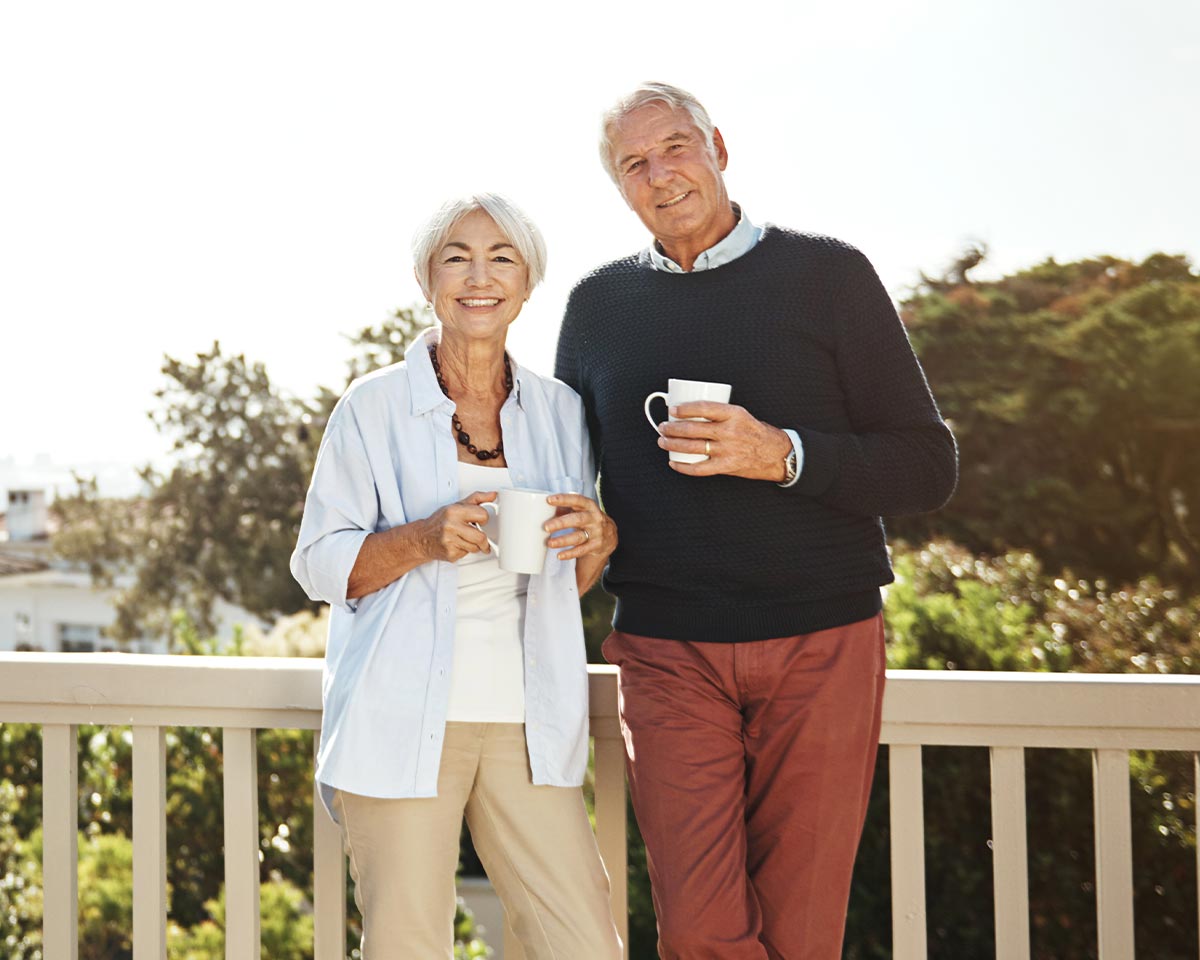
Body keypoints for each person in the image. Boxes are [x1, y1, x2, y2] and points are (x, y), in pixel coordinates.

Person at [554, 83, 958, 960]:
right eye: (635, 164)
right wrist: (592, 530)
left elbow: (929, 466)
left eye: (675, 148)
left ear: (720, 147)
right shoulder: (595, 307)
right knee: (699, 930)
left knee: (803, 927)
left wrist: (783, 454)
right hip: (666, 653)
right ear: (620, 188)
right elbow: (569, 483)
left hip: (824, 640)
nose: (661, 176)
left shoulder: (830, 275)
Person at [291, 193, 622, 960]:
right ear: (425, 278)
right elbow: (318, 563)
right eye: (457, 257)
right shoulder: (370, 407)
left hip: (528, 722)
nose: (480, 276)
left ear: (529, 283)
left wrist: (596, 544)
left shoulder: (560, 411)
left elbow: (556, 585)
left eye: (502, 257)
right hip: (399, 717)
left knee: (583, 943)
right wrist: (422, 540)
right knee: (407, 945)